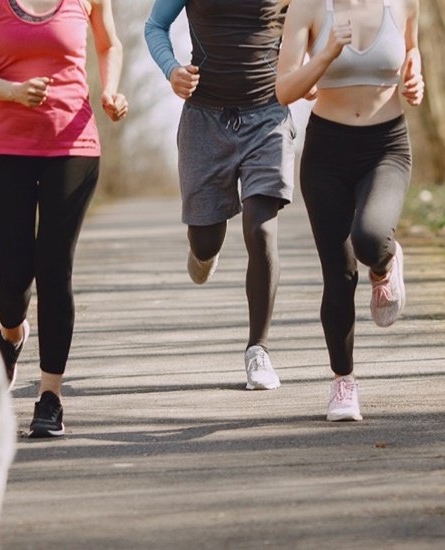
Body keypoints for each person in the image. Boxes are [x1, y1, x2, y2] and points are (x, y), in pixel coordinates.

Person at [0, 0, 128, 438]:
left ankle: (50, 397)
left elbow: (110, 45)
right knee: (12, 279)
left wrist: (110, 90)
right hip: (2, 150)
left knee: (54, 270)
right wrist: (11, 91)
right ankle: (11, 336)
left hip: (73, 146)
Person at [275, 0, 424, 420]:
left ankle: (385, 261)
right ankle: (343, 384)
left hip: (387, 147)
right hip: (325, 153)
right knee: (338, 275)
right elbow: (283, 89)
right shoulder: (306, 8)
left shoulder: (403, 3)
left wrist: (415, 77)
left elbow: (410, 51)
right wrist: (324, 57)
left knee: (371, 237)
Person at [145, 0, 297, 391]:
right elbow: (155, 27)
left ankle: (258, 350)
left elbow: (318, 20)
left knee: (260, 229)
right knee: (206, 238)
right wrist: (172, 70)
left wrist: (304, 66)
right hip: (205, 118)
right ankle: (203, 250)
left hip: (268, 115)